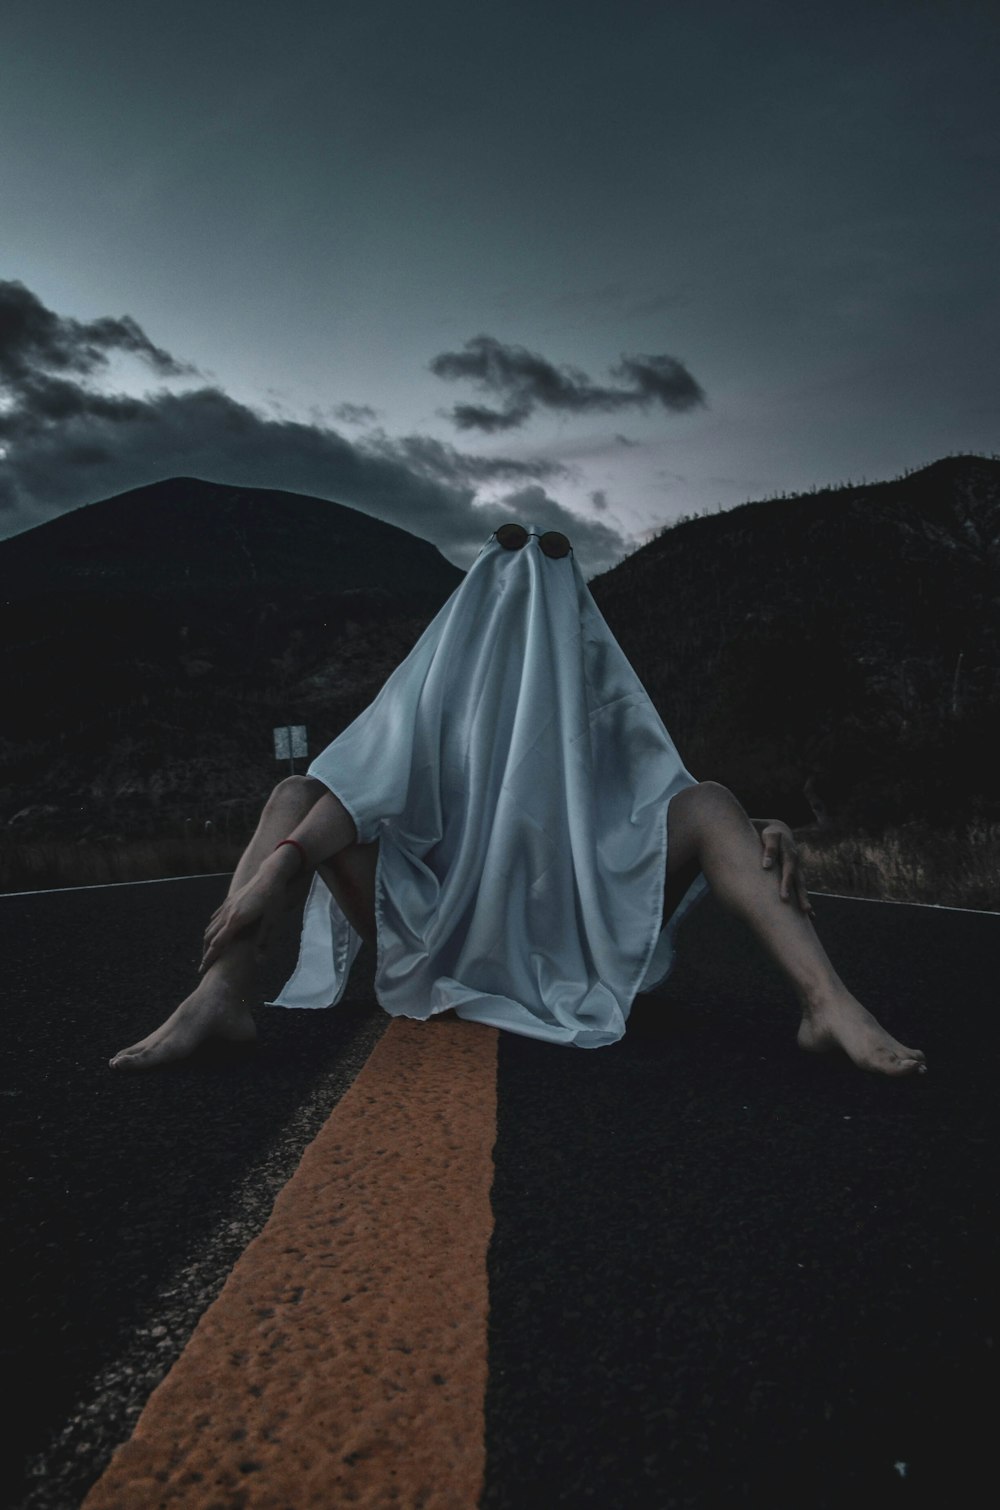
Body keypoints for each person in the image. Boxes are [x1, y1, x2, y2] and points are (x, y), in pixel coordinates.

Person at [110, 523, 925, 1077]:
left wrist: (749, 830)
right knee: (297, 793)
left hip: (571, 939)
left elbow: (659, 800)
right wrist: (273, 872)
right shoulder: (439, 701)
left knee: (714, 801)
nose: (523, 637)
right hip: (442, 935)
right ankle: (219, 996)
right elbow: (354, 787)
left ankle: (830, 1006)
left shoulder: (591, 704)